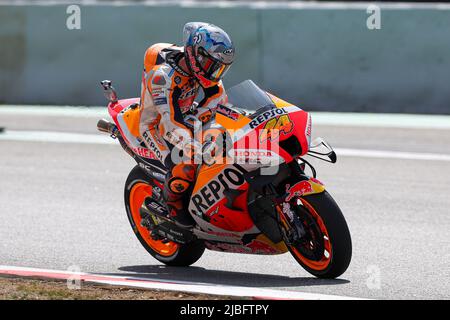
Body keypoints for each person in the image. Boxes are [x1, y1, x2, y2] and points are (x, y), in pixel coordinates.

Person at [121, 22, 235, 228]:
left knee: (228, 139)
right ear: (195, 55)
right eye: (212, 66)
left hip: (184, 115)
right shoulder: (162, 77)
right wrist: (195, 147)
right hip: (155, 126)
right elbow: (170, 123)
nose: (215, 73)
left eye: (220, 69)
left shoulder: (201, 68)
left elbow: (218, 98)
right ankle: (172, 203)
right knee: (186, 165)